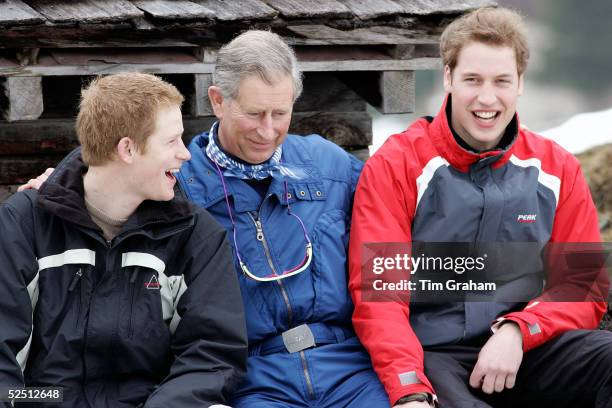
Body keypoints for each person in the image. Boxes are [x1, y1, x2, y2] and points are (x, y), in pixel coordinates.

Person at [16, 31, 390, 407]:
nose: (268, 130)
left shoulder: (331, 166)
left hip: (348, 364)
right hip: (253, 374)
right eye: (254, 113)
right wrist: (57, 184)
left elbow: (397, 220)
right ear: (218, 101)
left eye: (281, 113)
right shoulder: (177, 186)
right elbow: (110, 168)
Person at [348, 7, 612, 408]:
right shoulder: (396, 165)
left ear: (520, 82)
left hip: (527, 348)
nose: (486, 98)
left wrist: (519, 331)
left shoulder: (557, 168)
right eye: (472, 80)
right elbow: (380, 297)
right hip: (433, 357)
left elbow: (582, 286)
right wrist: (409, 388)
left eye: (501, 81)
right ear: (449, 77)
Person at [0, 73, 247, 407]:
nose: (185, 154)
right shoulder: (23, 224)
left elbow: (212, 355)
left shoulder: (194, 234)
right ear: (128, 149)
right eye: (172, 141)